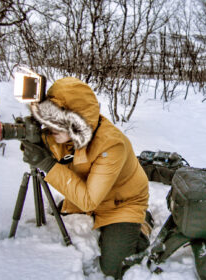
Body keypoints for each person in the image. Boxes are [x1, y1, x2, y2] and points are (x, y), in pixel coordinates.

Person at [20, 77, 152, 279]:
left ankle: (142, 224)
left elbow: (89, 198)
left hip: (121, 202)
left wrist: (47, 164)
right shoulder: (61, 134)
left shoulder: (111, 145)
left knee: (113, 268)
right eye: (49, 121)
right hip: (90, 194)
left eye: (58, 123)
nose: (52, 128)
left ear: (77, 122)